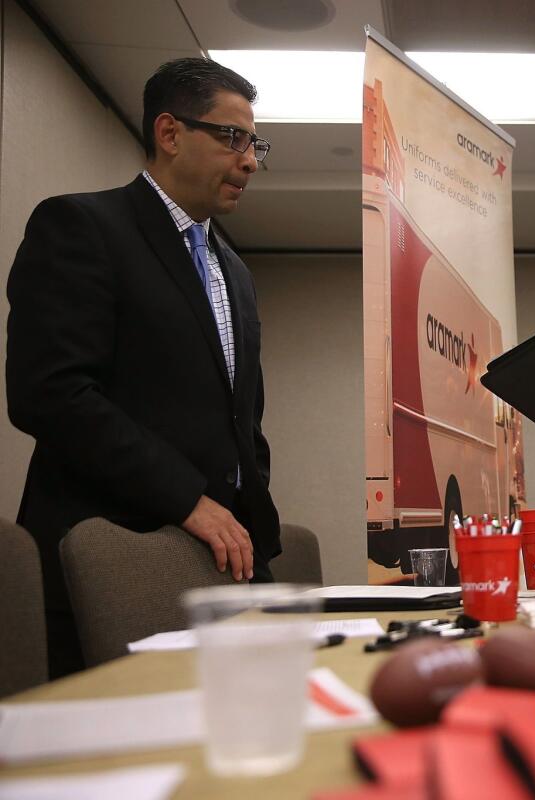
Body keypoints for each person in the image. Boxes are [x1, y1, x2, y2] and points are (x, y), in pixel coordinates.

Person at [6, 57, 280, 677]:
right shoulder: (81, 226)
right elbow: (49, 393)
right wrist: (190, 499)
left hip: (222, 568)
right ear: (170, 133)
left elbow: (243, 422)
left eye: (255, 142)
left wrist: (249, 525)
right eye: (232, 138)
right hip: (110, 562)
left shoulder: (234, 270)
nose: (250, 160)